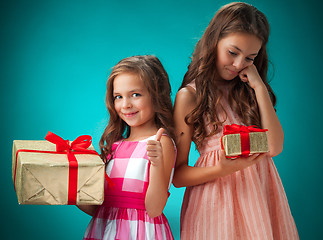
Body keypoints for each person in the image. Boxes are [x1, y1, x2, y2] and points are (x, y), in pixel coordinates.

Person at [173, 2, 299, 239]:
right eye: (233, 52)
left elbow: (274, 146)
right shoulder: (189, 96)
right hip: (215, 201)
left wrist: (259, 86)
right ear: (214, 41)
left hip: (260, 197)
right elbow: (178, 176)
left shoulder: (249, 91)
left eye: (250, 57)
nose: (239, 64)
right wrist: (220, 169)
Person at [78, 55, 176, 240]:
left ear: (157, 96)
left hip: (141, 233)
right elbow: (97, 208)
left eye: (136, 94)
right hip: (103, 232)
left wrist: (156, 163)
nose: (126, 105)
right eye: (118, 97)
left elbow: (154, 209)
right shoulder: (114, 146)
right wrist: (71, 187)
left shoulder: (161, 143)